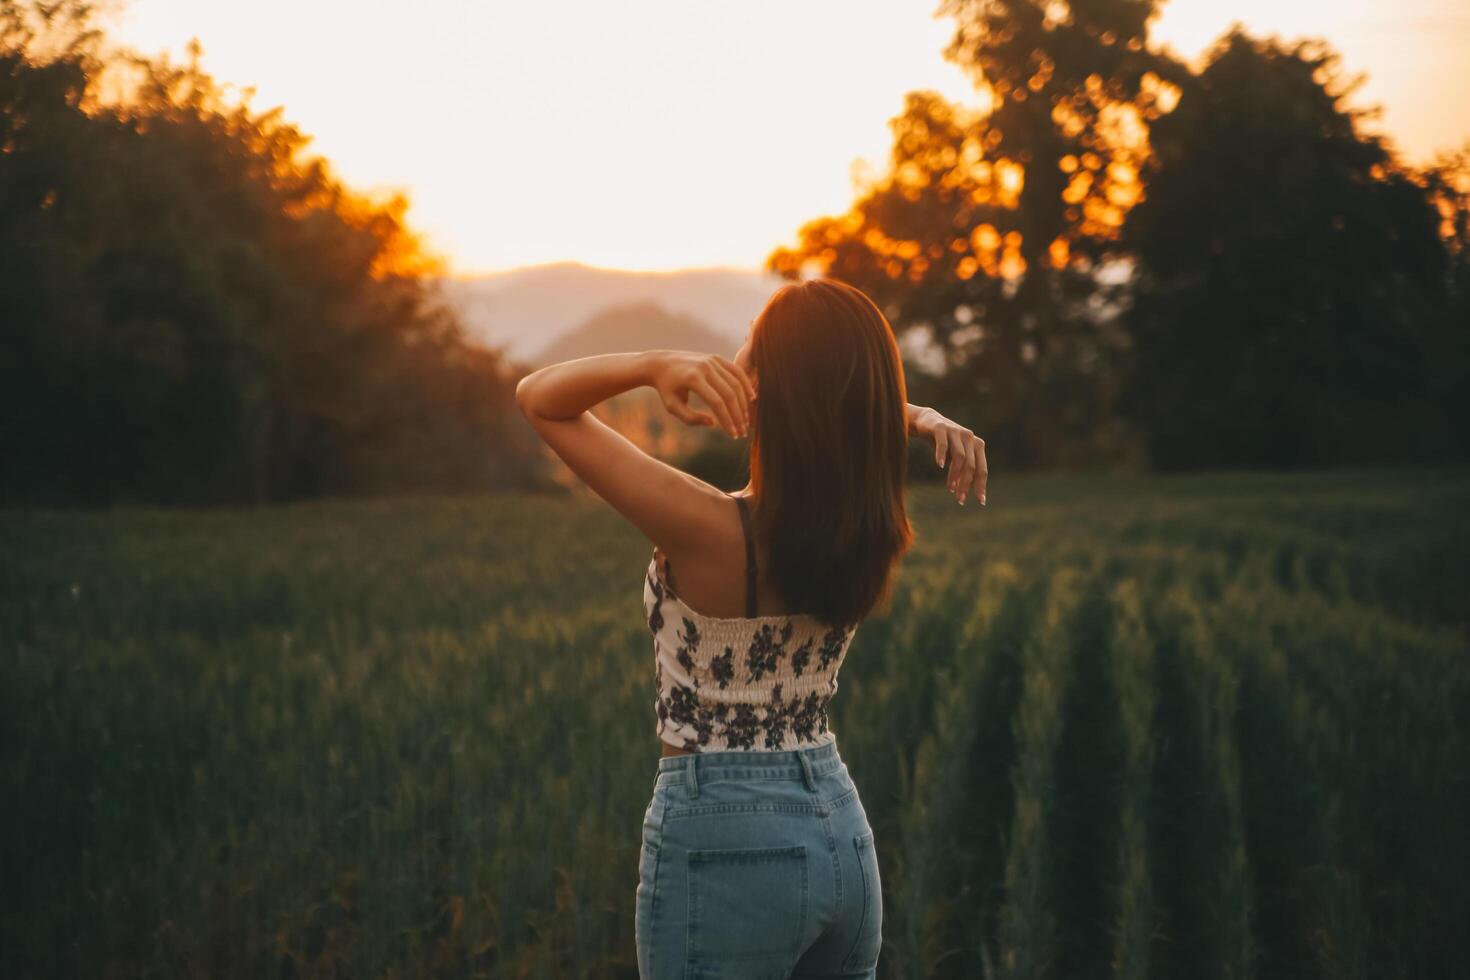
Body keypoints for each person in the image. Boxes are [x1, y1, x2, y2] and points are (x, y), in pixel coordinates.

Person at [515, 277, 988, 978]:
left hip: (724, 839)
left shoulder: (708, 528)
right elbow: (845, 411)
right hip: (841, 833)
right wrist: (915, 417)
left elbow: (541, 400)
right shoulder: (865, 525)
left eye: (753, 348)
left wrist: (653, 365)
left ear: (770, 383)